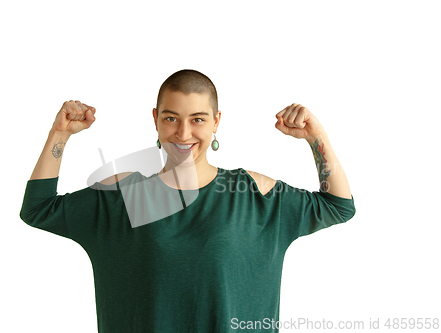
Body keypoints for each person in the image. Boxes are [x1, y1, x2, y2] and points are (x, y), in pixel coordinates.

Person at [20, 69, 356, 333]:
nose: (183, 134)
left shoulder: (253, 194)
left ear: (216, 121)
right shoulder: (125, 198)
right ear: (155, 119)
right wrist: (59, 134)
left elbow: (338, 206)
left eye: (197, 119)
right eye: (171, 118)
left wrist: (316, 137)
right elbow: (38, 209)